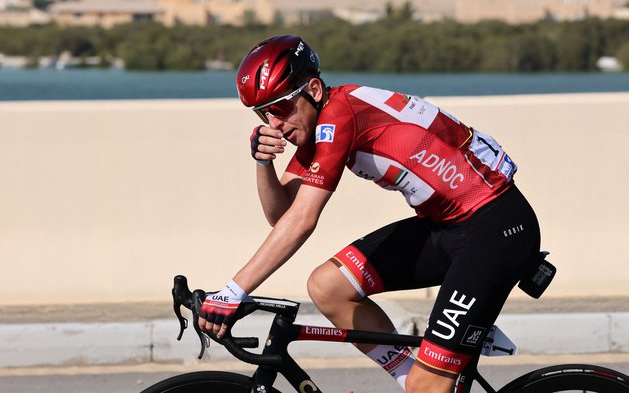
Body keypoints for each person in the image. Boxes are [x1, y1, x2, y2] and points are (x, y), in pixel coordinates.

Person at [198, 34, 541, 393]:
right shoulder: (319, 123)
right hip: (447, 227)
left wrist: (233, 291)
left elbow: (302, 220)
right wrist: (263, 163)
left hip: (496, 228)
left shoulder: (340, 116)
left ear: (313, 89)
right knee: (328, 287)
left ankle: (424, 384)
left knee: (429, 385)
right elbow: (282, 214)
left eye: (280, 108)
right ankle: (410, 377)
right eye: (263, 112)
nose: (275, 123)